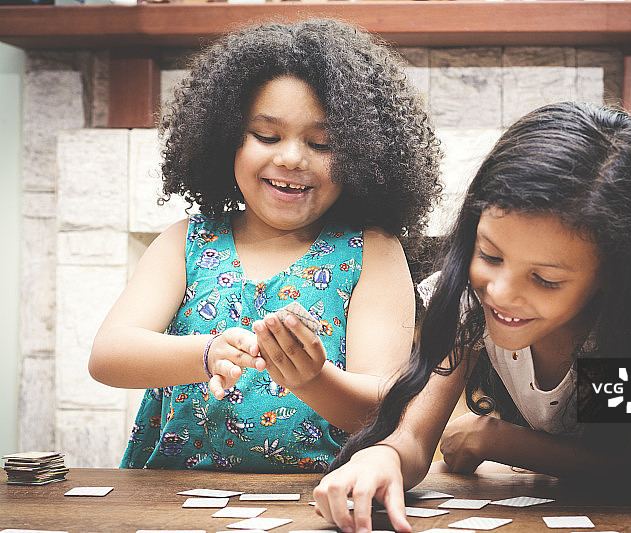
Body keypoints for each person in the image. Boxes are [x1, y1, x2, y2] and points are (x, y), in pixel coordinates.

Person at [312, 102, 631, 533]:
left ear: (617, 276)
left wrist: (495, 438)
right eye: (491, 256)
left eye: (545, 279)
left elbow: (628, 470)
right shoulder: (469, 299)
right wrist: (384, 455)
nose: (501, 293)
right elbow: (414, 439)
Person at [88, 18, 442, 472]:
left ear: (360, 154)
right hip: (172, 496)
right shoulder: (186, 242)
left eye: (322, 142)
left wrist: (312, 377)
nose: (291, 157)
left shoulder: (371, 251)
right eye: (267, 136)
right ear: (225, 140)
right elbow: (108, 356)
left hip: (315, 498)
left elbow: (383, 408)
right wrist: (207, 351)